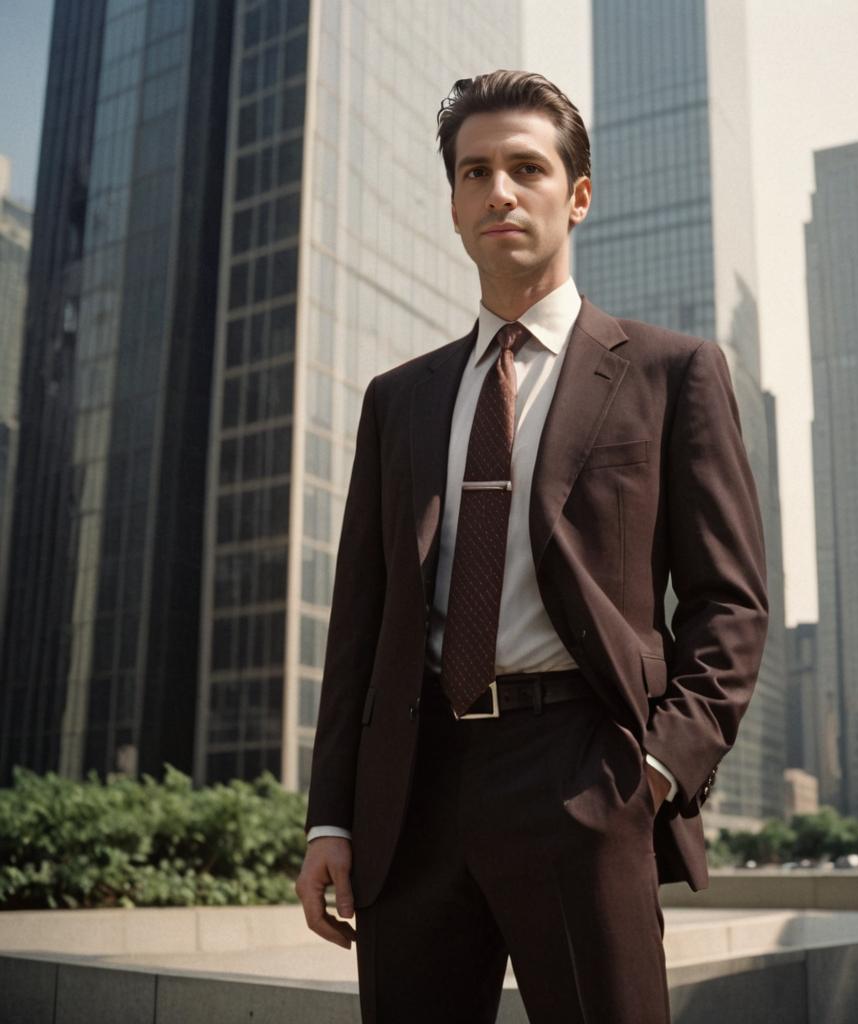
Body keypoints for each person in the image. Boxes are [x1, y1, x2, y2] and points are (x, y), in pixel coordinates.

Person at [295, 70, 769, 1023]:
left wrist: (657, 771)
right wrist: (332, 817)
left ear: (577, 195)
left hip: (583, 773)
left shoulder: (674, 374)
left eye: (525, 168)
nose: (499, 192)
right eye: (475, 173)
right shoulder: (400, 399)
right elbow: (361, 622)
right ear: (456, 203)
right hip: (413, 791)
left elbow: (730, 605)